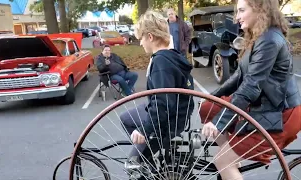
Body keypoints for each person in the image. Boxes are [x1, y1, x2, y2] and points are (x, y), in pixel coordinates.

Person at [200, 0, 301, 179]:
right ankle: (232, 160)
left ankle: (228, 162)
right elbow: (239, 76)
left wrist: (219, 122)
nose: (236, 17)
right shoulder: (259, 36)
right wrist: (211, 98)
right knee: (208, 108)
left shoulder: (269, 40)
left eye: (241, 11)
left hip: (280, 114)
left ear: (259, 10)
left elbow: (251, 86)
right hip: (264, 104)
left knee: (221, 161)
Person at [119, 10, 195, 164]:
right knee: (126, 118)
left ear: (150, 37)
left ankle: (146, 158)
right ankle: (149, 152)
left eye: (141, 39)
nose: (140, 43)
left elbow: (163, 104)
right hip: (178, 113)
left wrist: (144, 130)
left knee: (132, 164)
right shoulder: (172, 55)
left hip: (169, 120)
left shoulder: (161, 63)